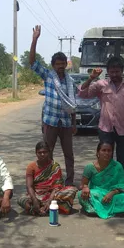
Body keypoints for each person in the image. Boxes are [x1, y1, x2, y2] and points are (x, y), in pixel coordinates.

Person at [78, 57, 124, 182]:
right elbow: (82, 93)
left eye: (117, 72)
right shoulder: (101, 85)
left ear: (122, 71)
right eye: (112, 72)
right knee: (105, 158)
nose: (114, 74)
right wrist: (91, 78)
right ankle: (106, 183)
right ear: (108, 71)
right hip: (105, 129)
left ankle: (122, 184)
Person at [29, 25, 76, 185]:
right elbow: (32, 62)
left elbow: (73, 103)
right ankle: (49, 180)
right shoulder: (48, 76)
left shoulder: (70, 81)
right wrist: (35, 39)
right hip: (50, 121)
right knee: (47, 153)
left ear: (65, 64)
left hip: (66, 122)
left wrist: (74, 123)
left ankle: (69, 182)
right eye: (58, 64)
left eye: (63, 63)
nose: (61, 66)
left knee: (68, 154)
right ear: (53, 65)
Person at [78, 142, 124, 219]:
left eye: (109, 151)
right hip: (97, 195)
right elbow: (83, 184)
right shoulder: (90, 167)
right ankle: (118, 211)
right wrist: (85, 187)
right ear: (98, 152)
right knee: (81, 194)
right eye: (103, 150)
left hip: (114, 195)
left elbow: (123, 185)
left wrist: (112, 193)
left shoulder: (117, 166)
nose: (106, 153)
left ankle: (95, 210)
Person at [18, 141, 78, 215]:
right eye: (39, 152)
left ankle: (38, 210)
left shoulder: (55, 166)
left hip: (52, 195)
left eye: (45, 152)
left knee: (72, 190)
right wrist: (34, 200)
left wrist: (49, 201)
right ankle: (46, 209)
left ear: (49, 152)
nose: (42, 154)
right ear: (36, 153)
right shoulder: (31, 166)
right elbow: (29, 186)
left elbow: (57, 187)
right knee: (21, 199)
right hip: (37, 195)